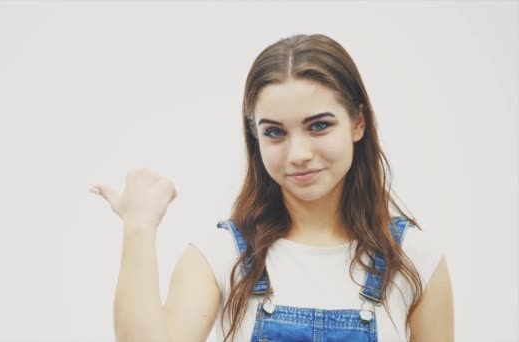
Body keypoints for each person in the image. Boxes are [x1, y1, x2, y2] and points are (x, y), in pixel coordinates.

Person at [90, 33, 454, 342]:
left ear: (358, 123)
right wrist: (139, 225)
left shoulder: (412, 259)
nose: (298, 154)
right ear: (256, 137)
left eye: (318, 126)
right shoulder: (220, 256)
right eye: (275, 132)